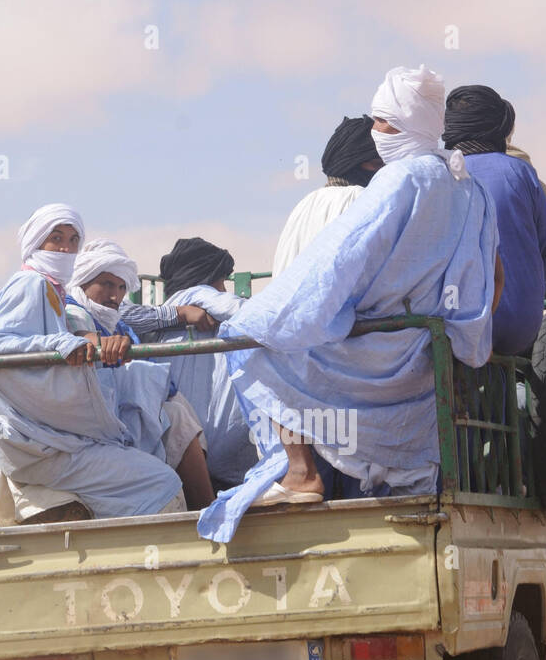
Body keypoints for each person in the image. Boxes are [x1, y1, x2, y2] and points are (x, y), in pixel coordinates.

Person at [197, 65, 498, 544]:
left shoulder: (401, 180)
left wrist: (279, 314)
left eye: (383, 122)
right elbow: (486, 272)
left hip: (374, 350)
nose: (376, 133)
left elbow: (337, 265)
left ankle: (300, 472)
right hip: (422, 351)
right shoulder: (465, 183)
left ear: (406, 125)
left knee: (254, 336)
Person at [0, 204, 183, 518]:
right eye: (56, 238)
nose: (65, 248)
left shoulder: (53, 290)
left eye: (74, 240)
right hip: (39, 444)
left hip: (49, 435)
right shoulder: (31, 284)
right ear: (36, 242)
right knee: (162, 481)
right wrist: (61, 343)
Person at [67, 240, 215, 508]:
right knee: (177, 416)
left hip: (117, 410)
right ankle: (207, 506)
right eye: (107, 284)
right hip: (91, 419)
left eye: (122, 287)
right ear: (83, 282)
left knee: (176, 409)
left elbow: (140, 315)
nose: (115, 295)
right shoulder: (72, 310)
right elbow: (81, 334)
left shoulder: (115, 318)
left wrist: (181, 314)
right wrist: (100, 344)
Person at [443, 84, 546, 356]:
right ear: (499, 127)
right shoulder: (521, 172)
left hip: (450, 329)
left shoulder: (434, 174)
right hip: (520, 325)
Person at [145, 237, 258, 486]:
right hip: (224, 456)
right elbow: (251, 314)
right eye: (222, 281)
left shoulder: (165, 314)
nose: (224, 289)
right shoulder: (199, 295)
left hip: (178, 457)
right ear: (209, 277)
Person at [272, 115, 383, 274]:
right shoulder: (360, 199)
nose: (383, 172)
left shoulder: (304, 204)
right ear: (353, 164)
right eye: (378, 164)